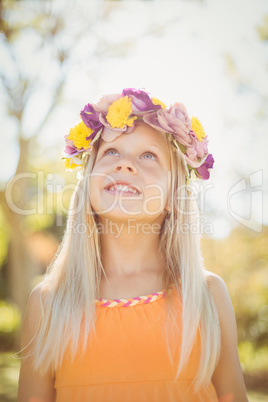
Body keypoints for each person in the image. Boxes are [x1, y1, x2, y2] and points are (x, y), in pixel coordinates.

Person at [18, 88, 248, 402]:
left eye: (148, 155)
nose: (125, 164)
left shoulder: (206, 295)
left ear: (173, 196)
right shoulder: (48, 304)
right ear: (88, 182)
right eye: (111, 151)